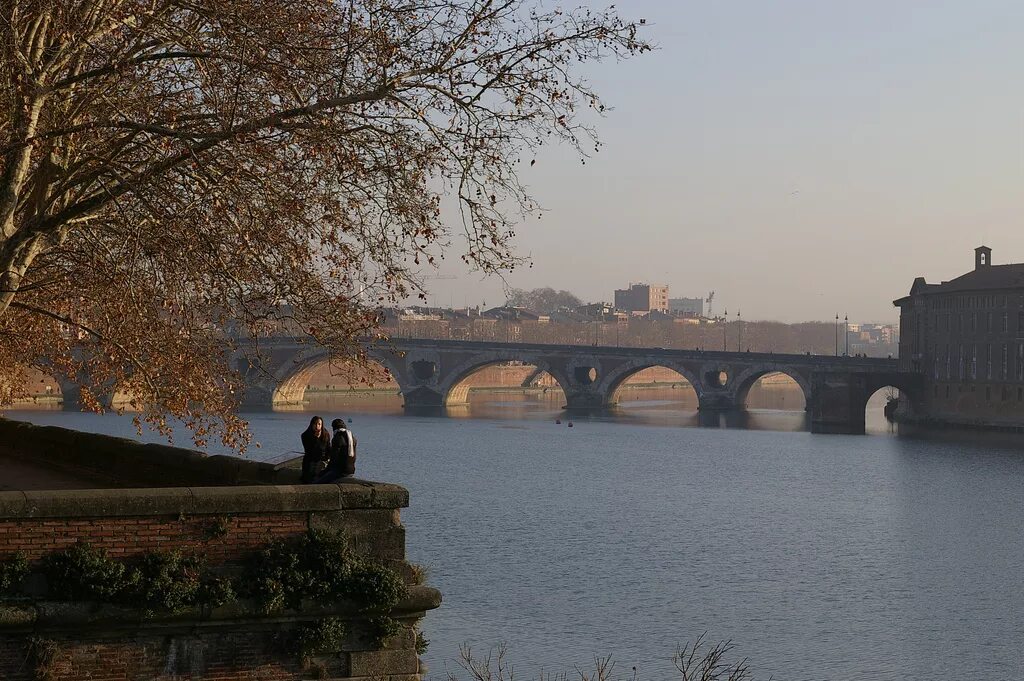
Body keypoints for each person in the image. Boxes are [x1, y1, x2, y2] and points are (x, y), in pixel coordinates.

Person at [314, 418, 357, 483]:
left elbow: (333, 459)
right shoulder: (352, 438)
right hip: (351, 470)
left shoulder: (337, 438)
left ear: (334, 427)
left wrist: (323, 472)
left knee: (317, 482)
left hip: (340, 472)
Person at [300, 416, 331, 484]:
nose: (317, 426)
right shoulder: (305, 435)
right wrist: (316, 438)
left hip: (322, 462)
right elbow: (309, 450)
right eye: (315, 424)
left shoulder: (326, 434)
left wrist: (328, 458)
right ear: (312, 424)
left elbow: (328, 448)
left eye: (319, 424)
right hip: (310, 462)